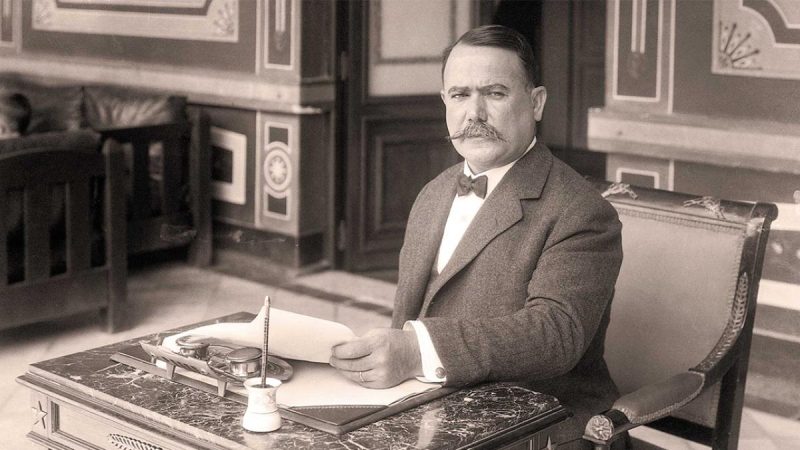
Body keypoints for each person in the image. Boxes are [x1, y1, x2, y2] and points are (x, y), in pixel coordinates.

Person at [330, 25, 623, 448]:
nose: (475, 113)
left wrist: (417, 350)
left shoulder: (580, 210)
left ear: (536, 103)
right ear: (444, 102)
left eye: (495, 93)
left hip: (538, 425)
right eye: (460, 95)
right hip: (431, 410)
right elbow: (410, 318)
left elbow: (555, 334)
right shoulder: (433, 193)